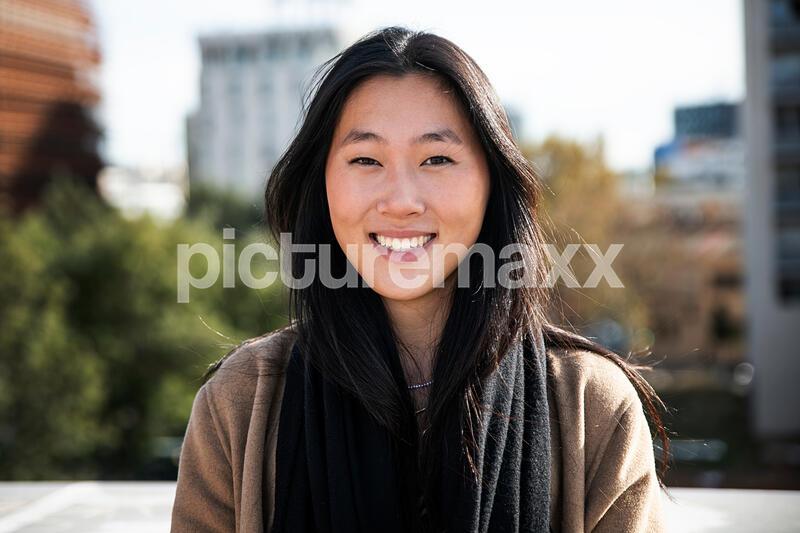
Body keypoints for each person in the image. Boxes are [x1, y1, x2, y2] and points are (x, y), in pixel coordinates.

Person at [171, 26, 667, 533]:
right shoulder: (242, 404)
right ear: (322, 186)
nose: (402, 199)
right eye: (365, 159)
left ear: (491, 183)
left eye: (437, 159)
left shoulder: (590, 406)